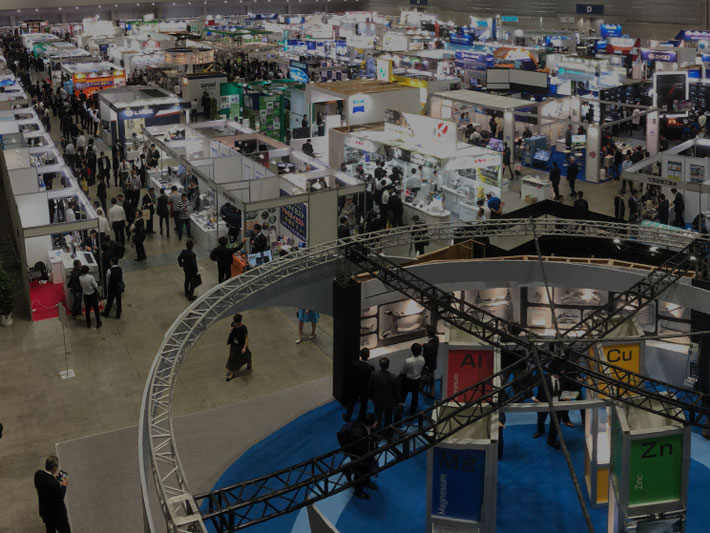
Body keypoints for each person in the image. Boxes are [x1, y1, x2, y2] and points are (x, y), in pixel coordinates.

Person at [338, 413, 378, 500]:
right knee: (360, 472)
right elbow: (360, 448)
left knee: (367, 467)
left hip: (364, 452)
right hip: (358, 454)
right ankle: (358, 491)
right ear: (370, 423)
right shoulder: (359, 434)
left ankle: (365, 481)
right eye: (375, 422)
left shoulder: (366, 428)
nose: (377, 423)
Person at [34, 455, 70, 533]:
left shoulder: (38, 474)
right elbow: (60, 497)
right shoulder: (54, 484)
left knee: (50, 530)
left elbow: (43, 483)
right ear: (54, 467)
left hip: (45, 513)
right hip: (56, 515)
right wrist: (64, 485)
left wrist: (53, 478)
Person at [532, 366, 562, 449]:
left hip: (557, 404)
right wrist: (535, 399)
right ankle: (540, 431)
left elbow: (566, 389)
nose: (562, 374)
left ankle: (551, 440)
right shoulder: (544, 378)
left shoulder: (563, 379)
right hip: (543, 402)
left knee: (555, 423)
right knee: (541, 418)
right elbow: (533, 387)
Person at [368, 357, 401, 434]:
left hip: (378, 400)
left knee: (377, 417)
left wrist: (371, 397)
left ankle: (377, 433)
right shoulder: (394, 377)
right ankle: (387, 432)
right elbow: (397, 392)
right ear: (388, 365)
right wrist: (398, 402)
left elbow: (370, 387)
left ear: (380, 365)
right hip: (389, 402)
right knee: (388, 418)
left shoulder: (374, 374)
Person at [344, 348, 375, 422]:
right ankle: (361, 418)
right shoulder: (371, 368)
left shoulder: (354, 364)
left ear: (360, 355)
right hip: (364, 388)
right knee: (364, 404)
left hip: (355, 386)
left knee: (351, 401)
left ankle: (348, 417)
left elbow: (350, 374)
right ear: (368, 356)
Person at [401, 343, 425, 416]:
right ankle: (412, 411)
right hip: (417, 380)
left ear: (412, 350)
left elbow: (403, 371)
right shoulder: (422, 359)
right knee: (415, 396)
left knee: (403, 396)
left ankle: (400, 410)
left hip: (407, 380)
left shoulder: (408, 361)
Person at [225, 313, 251, 381]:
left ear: (239, 322)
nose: (234, 324)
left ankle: (249, 363)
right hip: (234, 345)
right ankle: (232, 374)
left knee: (247, 355)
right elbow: (232, 333)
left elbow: (246, 338)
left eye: (235, 323)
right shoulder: (233, 324)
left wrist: (244, 347)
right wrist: (230, 331)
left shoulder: (243, 328)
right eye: (234, 322)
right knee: (232, 358)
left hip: (241, 345)